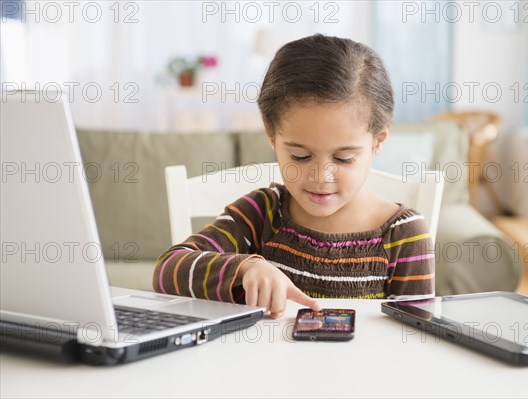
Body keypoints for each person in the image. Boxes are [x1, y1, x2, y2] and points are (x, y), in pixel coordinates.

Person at [153, 34, 435, 318]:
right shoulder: (261, 213)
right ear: (271, 134)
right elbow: (167, 271)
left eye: (343, 158)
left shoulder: (404, 236)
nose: (321, 176)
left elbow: (415, 341)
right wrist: (246, 267)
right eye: (300, 156)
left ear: (378, 140)